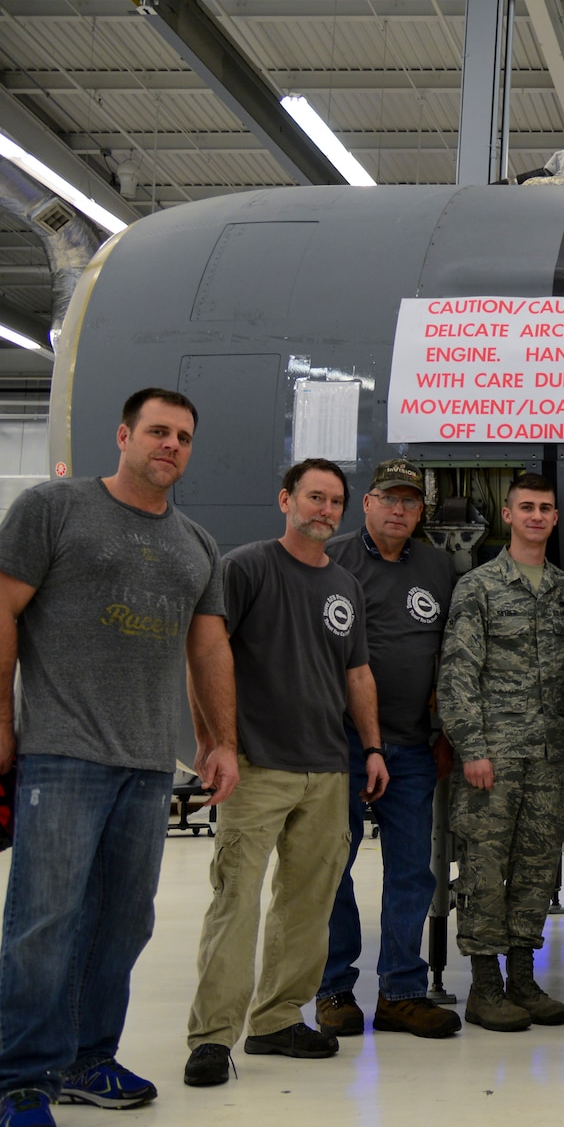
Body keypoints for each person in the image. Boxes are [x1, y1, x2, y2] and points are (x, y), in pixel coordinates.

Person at [0, 388, 237, 1127]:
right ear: (123, 435)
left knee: (124, 921)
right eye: (158, 430)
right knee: (45, 922)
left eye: (184, 436)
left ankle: (90, 1058)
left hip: (148, 763)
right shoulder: (53, 507)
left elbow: (209, 648)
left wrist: (219, 741)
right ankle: (25, 1080)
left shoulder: (196, 542)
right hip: (61, 752)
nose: (171, 445)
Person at [184, 459, 389, 1087]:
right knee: (237, 900)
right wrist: (215, 742)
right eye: (313, 497)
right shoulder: (245, 568)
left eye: (334, 502)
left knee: (308, 903)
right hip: (257, 766)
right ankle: (212, 1037)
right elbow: (203, 654)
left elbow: (356, 675)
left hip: (328, 769)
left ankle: (275, 1020)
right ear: (286, 501)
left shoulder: (346, 586)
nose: (324, 510)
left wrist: (373, 748)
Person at [314, 460, 462, 1041]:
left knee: (411, 872)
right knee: (334, 868)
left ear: (421, 511)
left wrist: (446, 732)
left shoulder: (437, 566)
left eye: (410, 502)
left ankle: (401, 991)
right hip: (342, 745)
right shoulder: (335, 561)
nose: (399, 510)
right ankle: (334, 989)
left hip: (413, 746)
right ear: (366, 504)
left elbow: (451, 657)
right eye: (387, 500)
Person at [437, 473, 564, 1031]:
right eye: (526, 507)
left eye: (546, 508)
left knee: (536, 869)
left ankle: (523, 979)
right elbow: (457, 675)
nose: (536, 516)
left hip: (546, 758)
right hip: (491, 758)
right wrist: (471, 747)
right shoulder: (479, 586)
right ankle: (483, 987)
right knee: (483, 868)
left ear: (554, 517)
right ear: (508, 513)